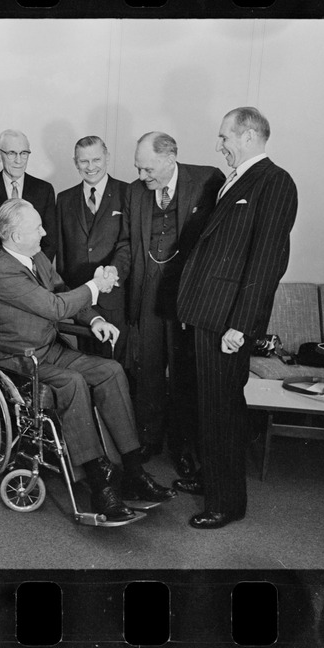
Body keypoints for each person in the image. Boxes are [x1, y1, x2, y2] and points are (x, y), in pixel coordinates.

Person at [0, 199, 176, 523]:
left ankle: (133, 471)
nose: (44, 232)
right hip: (16, 360)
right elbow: (57, 307)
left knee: (110, 370)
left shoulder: (35, 256)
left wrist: (95, 320)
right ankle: (100, 485)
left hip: (47, 350)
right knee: (72, 382)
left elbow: (62, 291)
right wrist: (96, 286)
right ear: (15, 236)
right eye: (37, 227)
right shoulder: (2, 271)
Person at [176, 107, 297, 529]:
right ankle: (214, 478)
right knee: (210, 405)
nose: (219, 145)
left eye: (224, 137)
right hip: (208, 314)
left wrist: (240, 327)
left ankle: (227, 503)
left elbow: (266, 264)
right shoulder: (234, 180)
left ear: (247, 136)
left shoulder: (275, 181)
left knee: (223, 408)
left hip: (228, 321)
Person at [110, 132, 225, 479]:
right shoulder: (135, 191)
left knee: (185, 374)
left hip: (189, 295)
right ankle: (149, 437)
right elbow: (129, 242)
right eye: (138, 169)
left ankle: (185, 447)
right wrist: (116, 268)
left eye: (147, 169)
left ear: (170, 157)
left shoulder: (207, 180)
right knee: (148, 371)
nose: (142, 176)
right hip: (147, 294)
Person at [55, 136, 130, 361]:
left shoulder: (128, 193)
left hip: (115, 299)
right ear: (75, 162)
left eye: (96, 159)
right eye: (84, 161)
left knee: (115, 364)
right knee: (86, 363)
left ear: (107, 157)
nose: (90, 167)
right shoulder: (64, 198)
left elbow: (130, 245)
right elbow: (62, 253)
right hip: (80, 299)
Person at [0, 129, 57, 288]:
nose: (18, 160)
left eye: (24, 153)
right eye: (11, 153)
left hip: (36, 281)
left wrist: (36, 274)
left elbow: (50, 241)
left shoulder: (44, 190)